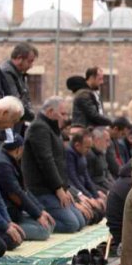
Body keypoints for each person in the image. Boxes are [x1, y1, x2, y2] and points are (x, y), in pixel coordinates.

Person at [22, 97, 85, 233]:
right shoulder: (39, 128)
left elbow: (60, 164)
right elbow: (46, 161)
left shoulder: (53, 130)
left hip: (54, 188)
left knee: (80, 221)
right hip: (42, 190)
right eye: (63, 114)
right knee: (71, 224)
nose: (66, 118)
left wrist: (65, 188)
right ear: (50, 112)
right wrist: (58, 188)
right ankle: (32, 219)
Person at [0, 135, 54, 241]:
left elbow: (24, 190)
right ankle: (4, 231)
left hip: (13, 210)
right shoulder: (3, 165)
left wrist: (40, 211)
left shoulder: (8, 160)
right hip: (7, 212)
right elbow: (16, 193)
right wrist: (37, 215)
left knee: (48, 224)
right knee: (43, 231)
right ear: (19, 149)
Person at [0, 43, 38, 122]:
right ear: (19, 58)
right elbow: (15, 100)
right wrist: (31, 116)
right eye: (29, 61)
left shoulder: (19, 74)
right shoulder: (7, 73)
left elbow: (26, 98)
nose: (31, 66)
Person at [66, 130, 105, 206]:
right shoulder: (69, 154)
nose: (89, 150)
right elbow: (73, 179)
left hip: (83, 190)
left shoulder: (82, 154)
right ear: (77, 145)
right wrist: (90, 197)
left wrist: (96, 195)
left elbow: (87, 178)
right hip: (76, 192)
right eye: (87, 147)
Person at [87, 127, 115, 191]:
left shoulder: (101, 153)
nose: (108, 145)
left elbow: (107, 172)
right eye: (107, 140)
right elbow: (89, 181)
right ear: (97, 140)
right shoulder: (89, 155)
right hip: (99, 189)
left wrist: (115, 186)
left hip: (106, 185)